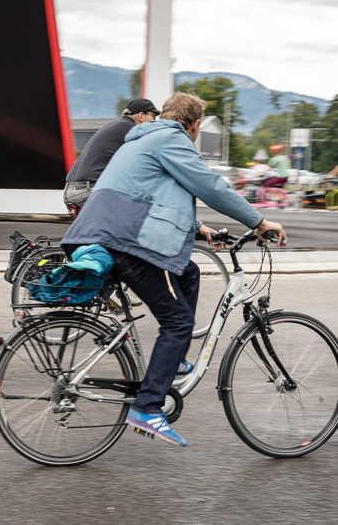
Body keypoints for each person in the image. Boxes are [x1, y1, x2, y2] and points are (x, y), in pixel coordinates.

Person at [61, 92, 287, 447]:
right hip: (129, 240)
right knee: (178, 322)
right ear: (195, 124)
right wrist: (258, 222)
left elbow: (158, 193)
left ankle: (175, 359)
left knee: (189, 272)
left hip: (109, 232)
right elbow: (208, 185)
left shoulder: (145, 137)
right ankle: (148, 407)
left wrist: (200, 228)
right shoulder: (172, 139)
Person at [63, 98, 161, 216]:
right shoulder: (133, 130)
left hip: (73, 190)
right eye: (153, 117)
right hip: (88, 190)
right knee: (136, 217)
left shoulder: (115, 127)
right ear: (141, 116)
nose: (155, 122)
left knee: (96, 232)